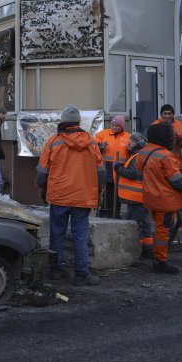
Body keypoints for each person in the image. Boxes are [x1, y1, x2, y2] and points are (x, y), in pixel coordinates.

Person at [36, 105, 106, 286]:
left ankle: (56, 270)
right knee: (80, 235)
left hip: (59, 196)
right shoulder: (91, 143)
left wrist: (42, 188)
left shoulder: (53, 142)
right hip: (83, 196)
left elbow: (42, 173)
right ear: (78, 122)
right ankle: (81, 273)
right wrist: (99, 191)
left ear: (63, 121)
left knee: (56, 233)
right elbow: (101, 172)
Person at [138, 122, 182, 274]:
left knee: (159, 228)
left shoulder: (143, 152)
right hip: (165, 199)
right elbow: (176, 179)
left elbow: (140, 171)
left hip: (151, 197)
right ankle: (160, 261)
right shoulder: (166, 155)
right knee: (163, 231)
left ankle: (158, 256)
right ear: (164, 137)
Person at [114, 132, 153, 259]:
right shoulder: (141, 156)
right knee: (143, 223)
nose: (128, 143)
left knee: (137, 224)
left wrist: (118, 168)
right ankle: (147, 248)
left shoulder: (137, 157)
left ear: (137, 143)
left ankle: (139, 250)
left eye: (131, 141)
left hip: (135, 197)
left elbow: (132, 174)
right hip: (138, 197)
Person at [94, 115, 130, 218]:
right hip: (107, 165)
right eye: (113, 125)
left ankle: (116, 211)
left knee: (118, 190)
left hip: (120, 167)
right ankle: (106, 210)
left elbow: (132, 150)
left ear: (122, 126)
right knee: (107, 189)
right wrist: (100, 147)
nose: (114, 127)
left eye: (117, 126)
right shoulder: (103, 134)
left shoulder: (128, 136)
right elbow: (93, 147)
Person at [153, 104, 182, 175]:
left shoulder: (179, 125)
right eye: (165, 113)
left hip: (176, 162)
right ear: (161, 114)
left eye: (169, 113)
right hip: (160, 161)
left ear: (173, 114)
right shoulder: (155, 125)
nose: (167, 116)